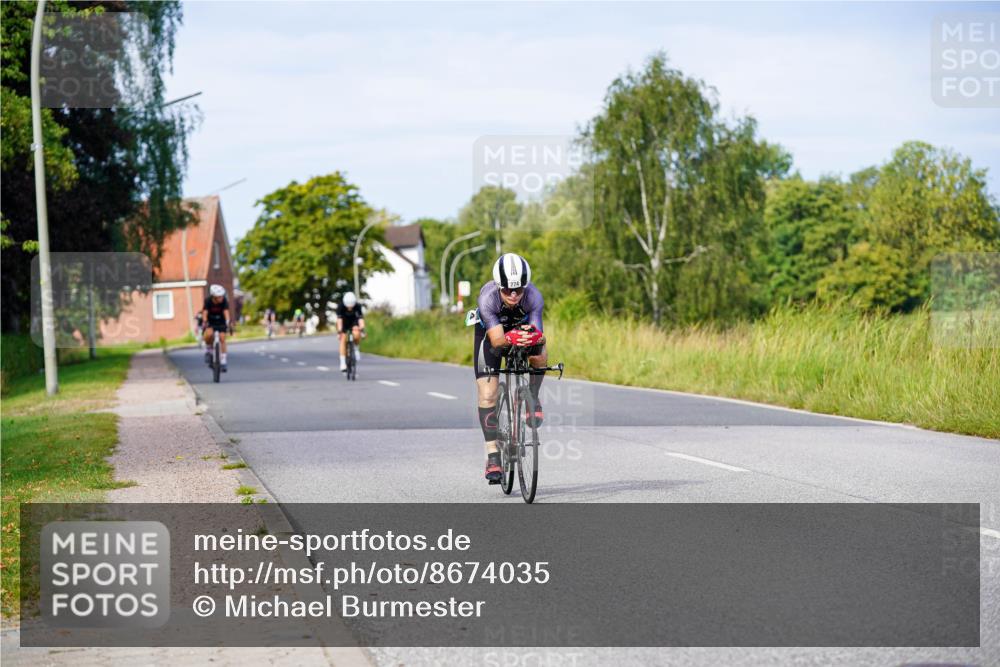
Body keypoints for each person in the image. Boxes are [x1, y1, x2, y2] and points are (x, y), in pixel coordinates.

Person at [473, 253, 547, 484]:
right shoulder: (488, 299)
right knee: (487, 394)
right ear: (498, 286)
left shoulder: (534, 296)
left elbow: (537, 333)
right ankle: (493, 454)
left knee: (541, 351)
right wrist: (514, 337)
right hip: (491, 334)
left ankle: (532, 397)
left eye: (518, 290)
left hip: (521, 328)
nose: (513, 295)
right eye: (507, 290)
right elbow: (497, 341)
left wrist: (535, 340)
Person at [202, 284, 233, 371]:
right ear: (214, 297)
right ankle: (209, 350)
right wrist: (205, 322)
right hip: (211, 321)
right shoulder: (208, 301)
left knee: (222, 338)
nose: (221, 298)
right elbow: (205, 313)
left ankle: (223, 360)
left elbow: (226, 312)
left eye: (222, 296)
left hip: (221, 321)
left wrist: (228, 321)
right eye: (219, 297)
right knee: (208, 334)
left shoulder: (224, 301)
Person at [337, 292, 365, 372]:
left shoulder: (358, 306)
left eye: (351, 306)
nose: (349, 308)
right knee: (343, 340)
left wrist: (362, 329)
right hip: (344, 323)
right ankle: (342, 363)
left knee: (356, 333)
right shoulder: (341, 306)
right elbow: (339, 321)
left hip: (354, 322)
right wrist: (339, 332)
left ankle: (356, 348)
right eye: (348, 306)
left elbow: (361, 320)